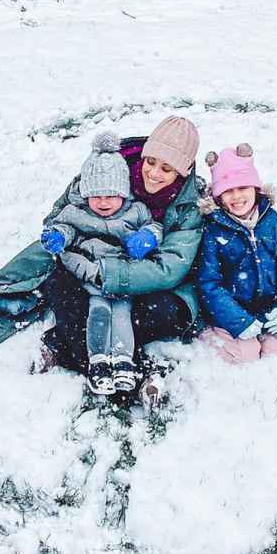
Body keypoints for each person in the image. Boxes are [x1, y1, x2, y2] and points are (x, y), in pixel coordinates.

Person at [0, 115, 203, 407]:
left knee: (159, 313)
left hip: (145, 281)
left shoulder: (188, 206)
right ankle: (127, 372)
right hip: (87, 264)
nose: (153, 173)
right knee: (62, 286)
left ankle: (70, 349)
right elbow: (60, 215)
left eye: (167, 169)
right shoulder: (108, 170)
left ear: (184, 171)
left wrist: (110, 274)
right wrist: (66, 240)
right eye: (151, 162)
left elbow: (170, 268)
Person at [41, 132, 164, 395]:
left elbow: (154, 226)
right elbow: (65, 228)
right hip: (91, 276)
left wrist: (148, 237)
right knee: (98, 313)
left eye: (111, 195)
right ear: (85, 194)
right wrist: (58, 236)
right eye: (96, 196)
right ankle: (97, 361)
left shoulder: (136, 211)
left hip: (123, 278)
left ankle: (122, 361)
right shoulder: (77, 212)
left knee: (122, 315)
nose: (104, 202)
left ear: (124, 192)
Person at [196, 143, 277, 363]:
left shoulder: (270, 220)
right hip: (229, 314)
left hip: (267, 310)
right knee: (246, 357)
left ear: (255, 189)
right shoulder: (214, 229)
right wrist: (238, 320)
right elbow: (209, 283)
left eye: (242, 188)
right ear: (218, 197)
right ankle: (209, 335)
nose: (236, 197)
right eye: (228, 191)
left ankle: (266, 334)